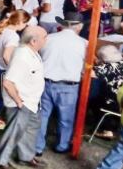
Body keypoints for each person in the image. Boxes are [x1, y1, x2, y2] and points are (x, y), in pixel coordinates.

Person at [0, 26, 48, 169]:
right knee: (14, 132)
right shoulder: (22, 56)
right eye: (44, 37)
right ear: (33, 41)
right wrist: (19, 102)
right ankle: (1, 160)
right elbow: (8, 82)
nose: (47, 40)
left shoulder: (33, 52)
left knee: (30, 130)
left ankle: (25, 157)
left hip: (32, 100)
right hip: (21, 102)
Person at [34, 12, 87, 155]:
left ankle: (37, 147)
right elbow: (85, 68)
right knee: (66, 119)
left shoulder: (48, 39)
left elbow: (38, 57)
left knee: (42, 116)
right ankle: (62, 146)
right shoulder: (84, 44)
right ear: (80, 26)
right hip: (68, 86)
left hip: (44, 82)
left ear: (62, 24)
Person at [0, 10, 31, 130]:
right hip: (3, 69)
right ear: (19, 22)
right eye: (25, 23)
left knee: (0, 93)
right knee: (2, 96)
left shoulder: (2, 29)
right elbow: (6, 56)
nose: (26, 26)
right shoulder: (13, 36)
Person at [91, 45, 123, 139]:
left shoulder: (104, 68)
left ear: (103, 58)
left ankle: (107, 130)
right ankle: (113, 127)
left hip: (113, 104)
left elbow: (89, 74)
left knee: (94, 100)